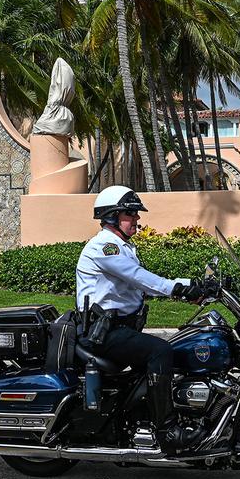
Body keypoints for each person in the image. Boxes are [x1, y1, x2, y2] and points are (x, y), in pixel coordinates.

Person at [76, 185, 205, 451]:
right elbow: (140, 278)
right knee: (160, 352)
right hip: (104, 334)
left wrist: (195, 284)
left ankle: (143, 417)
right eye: (130, 213)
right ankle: (167, 430)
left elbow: (141, 279)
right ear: (112, 216)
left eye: (135, 214)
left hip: (118, 330)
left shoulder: (121, 246)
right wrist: (177, 289)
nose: (136, 219)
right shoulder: (105, 248)